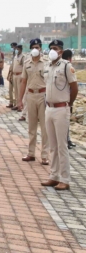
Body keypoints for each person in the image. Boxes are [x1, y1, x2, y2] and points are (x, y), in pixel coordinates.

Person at [42, 40, 79, 190]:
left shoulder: (66, 66)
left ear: (61, 51)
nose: (52, 51)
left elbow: (74, 88)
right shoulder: (48, 66)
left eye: (55, 48)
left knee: (62, 145)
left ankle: (65, 178)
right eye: (50, 48)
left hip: (61, 108)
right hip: (49, 108)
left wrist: (68, 104)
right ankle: (54, 175)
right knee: (53, 145)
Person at [21, 39, 50, 164]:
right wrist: (19, 100)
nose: (35, 49)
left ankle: (45, 155)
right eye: (33, 47)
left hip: (43, 95)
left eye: (37, 47)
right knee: (31, 126)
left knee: (44, 127)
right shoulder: (27, 63)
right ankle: (31, 153)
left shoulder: (47, 63)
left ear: (40, 48)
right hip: (31, 95)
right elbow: (23, 81)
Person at [63, 49, 77, 149]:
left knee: (66, 122)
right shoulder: (68, 67)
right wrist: (71, 102)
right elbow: (74, 87)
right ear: (69, 58)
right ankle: (66, 140)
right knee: (64, 122)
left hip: (64, 98)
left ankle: (67, 139)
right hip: (66, 99)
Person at [7, 43, 26, 109]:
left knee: (20, 90)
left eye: (17, 49)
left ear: (20, 49)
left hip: (20, 75)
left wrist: (23, 76)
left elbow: (24, 67)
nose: (16, 50)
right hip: (14, 75)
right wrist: (10, 75)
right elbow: (12, 66)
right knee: (16, 91)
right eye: (16, 49)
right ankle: (17, 104)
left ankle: (20, 105)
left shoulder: (23, 57)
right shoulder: (15, 56)